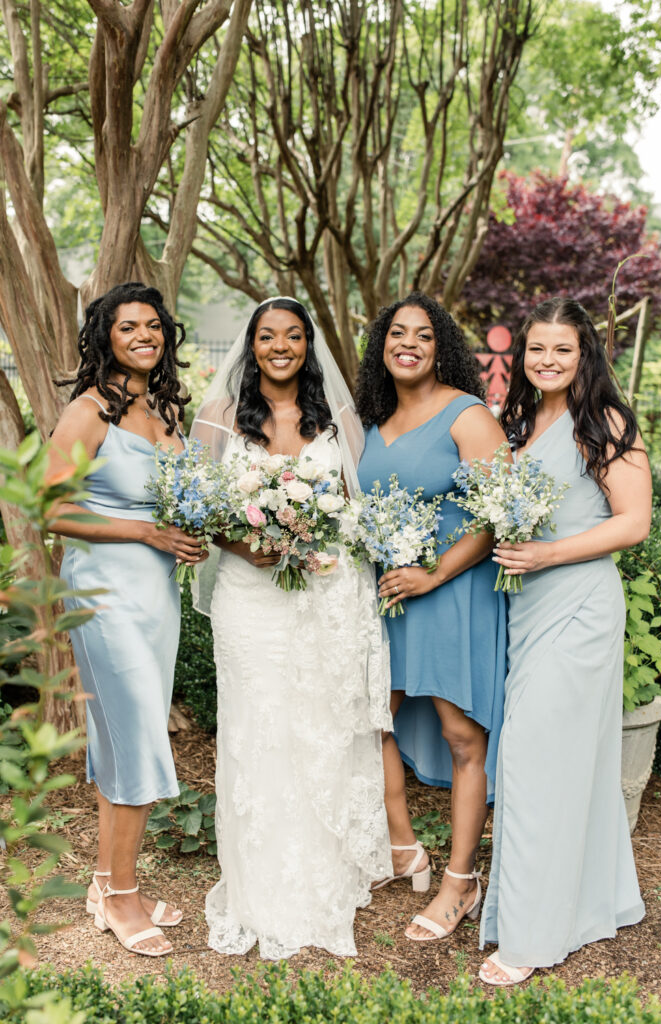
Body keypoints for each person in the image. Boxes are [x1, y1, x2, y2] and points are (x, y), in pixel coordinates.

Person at [190, 297, 392, 960]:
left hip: (324, 596)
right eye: (267, 336)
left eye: (293, 336)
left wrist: (321, 537)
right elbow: (196, 507)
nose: (281, 346)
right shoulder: (219, 418)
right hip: (251, 599)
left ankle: (322, 881)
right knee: (259, 728)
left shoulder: (337, 421)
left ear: (309, 345)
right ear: (250, 345)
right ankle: (259, 889)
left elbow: (362, 506)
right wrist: (246, 544)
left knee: (321, 730)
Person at [478, 297, 651, 986]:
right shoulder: (516, 422)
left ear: (585, 357)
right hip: (525, 609)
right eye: (535, 349)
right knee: (548, 762)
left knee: (531, 762)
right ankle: (592, 899)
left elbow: (632, 522)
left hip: (577, 608)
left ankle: (530, 933)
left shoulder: (599, 422)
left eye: (561, 350)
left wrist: (550, 556)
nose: (545, 360)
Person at [49, 282, 206, 958]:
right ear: (104, 338)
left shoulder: (165, 414)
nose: (143, 335)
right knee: (139, 738)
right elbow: (52, 511)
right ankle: (119, 899)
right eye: (127, 327)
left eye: (152, 326)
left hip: (156, 598)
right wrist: (142, 532)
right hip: (103, 595)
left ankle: (106, 882)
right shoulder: (87, 412)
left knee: (122, 743)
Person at [355, 292, 508, 942]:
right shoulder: (373, 421)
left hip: (452, 592)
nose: (407, 343)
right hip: (389, 594)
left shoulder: (466, 416)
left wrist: (436, 572)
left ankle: (459, 880)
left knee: (460, 735)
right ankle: (399, 846)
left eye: (421, 334)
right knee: (373, 718)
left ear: (439, 344)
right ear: (381, 346)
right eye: (396, 333)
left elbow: (499, 515)